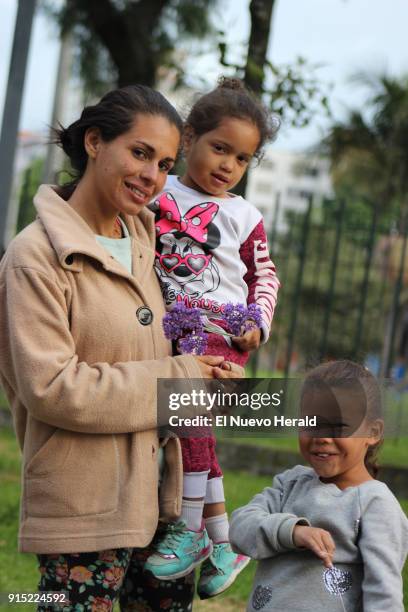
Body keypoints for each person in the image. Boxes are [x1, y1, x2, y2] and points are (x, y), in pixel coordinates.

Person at [0, 85, 240, 612]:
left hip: (164, 508)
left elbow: (166, 350)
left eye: (166, 163)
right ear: (93, 142)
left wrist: (211, 372)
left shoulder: (147, 242)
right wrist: (177, 377)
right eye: (140, 153)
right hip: (83, 514)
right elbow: (53, 388)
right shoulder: (34, 258)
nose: (152, 175)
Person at [145, 77, 280, 599]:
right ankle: (225, 541)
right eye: (219, 148)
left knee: (188, 425)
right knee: (192, 435)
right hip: (166, 334)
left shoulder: (246, 215)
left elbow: (265, 276)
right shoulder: (159, 193)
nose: (228, 166)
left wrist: (258, 324)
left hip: (218, 334)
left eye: (242, 158)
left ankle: (191, 529)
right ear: (188, 137)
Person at [229, 360, 408, 612]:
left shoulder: (375, 504)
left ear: (373, 431)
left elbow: (384, 594)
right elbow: (239, 528)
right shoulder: (290, 483)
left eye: (339, 427)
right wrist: (292, 532)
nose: (322, 437)